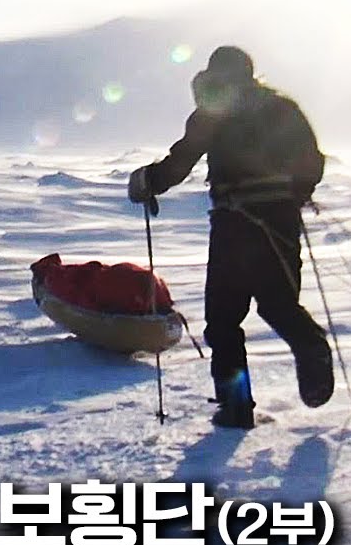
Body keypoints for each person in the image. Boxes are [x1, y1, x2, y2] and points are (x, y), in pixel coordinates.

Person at [127, 45, 333, 430]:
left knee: (223, 320)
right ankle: (312, 348)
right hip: (279, 222)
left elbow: (182, 159)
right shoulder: (283, 108)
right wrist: (295, 192)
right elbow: (312, 161)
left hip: (233, 224)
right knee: (278, 304)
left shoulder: (213, 110)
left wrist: (147, 182)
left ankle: (236, 407)